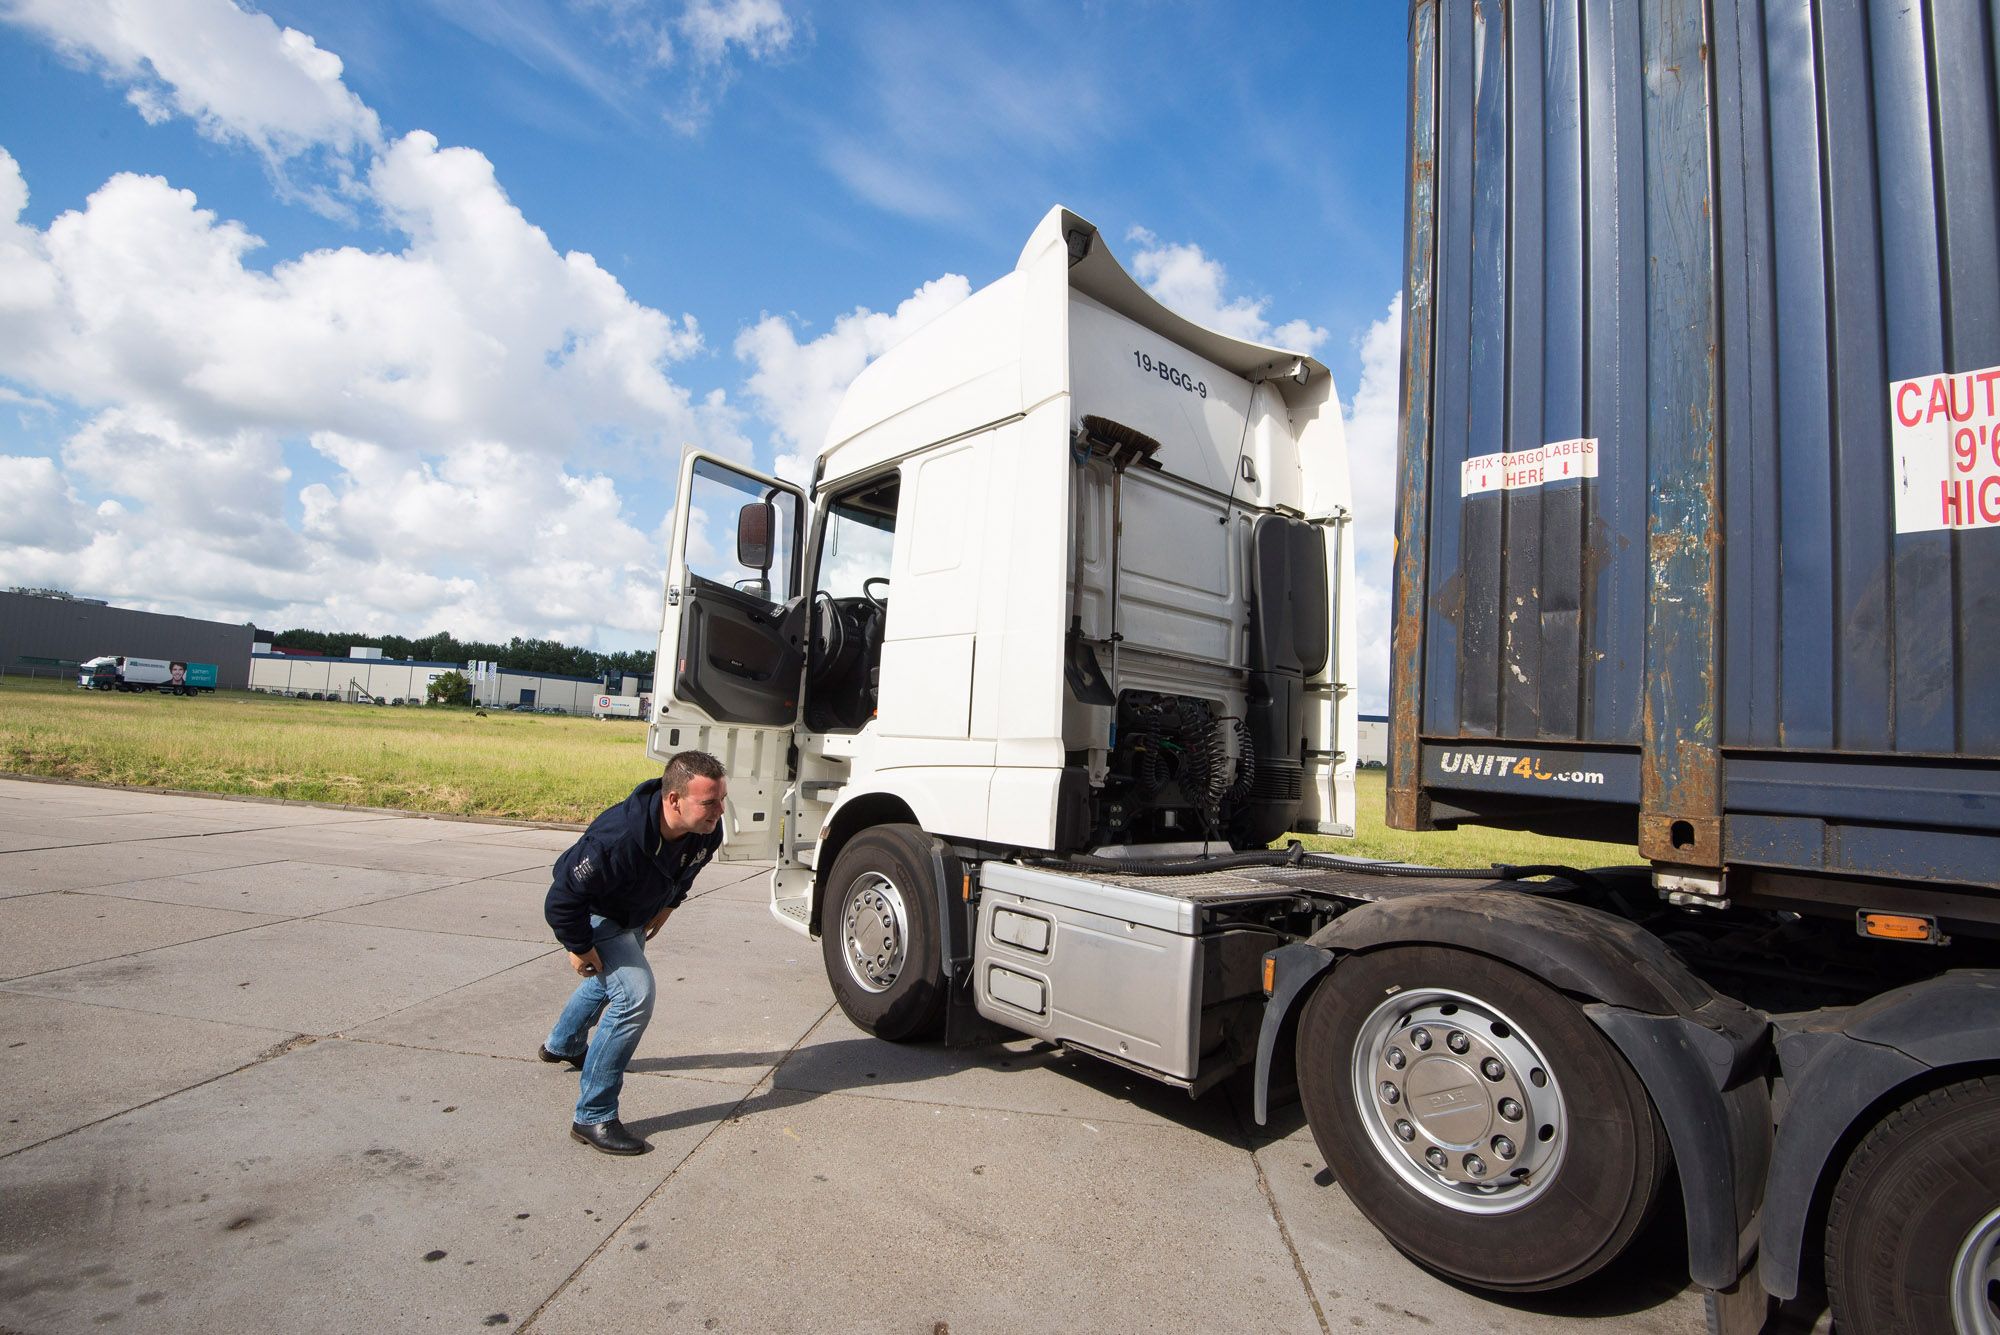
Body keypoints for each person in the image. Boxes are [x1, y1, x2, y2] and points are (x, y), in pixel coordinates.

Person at [540, 750, 727, 1155]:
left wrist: (670, 904)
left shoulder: (707, 829)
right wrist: (579, 944)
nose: (719, 810)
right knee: (635, 995)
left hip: (633, 916)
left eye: (721, 799)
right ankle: (593, 1115)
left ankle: (563, 1044)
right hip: (594, 916)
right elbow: (562, 898)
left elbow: (689, 868)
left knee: (612, 984)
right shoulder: (617, 839)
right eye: (709, 802)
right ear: (674, 800)